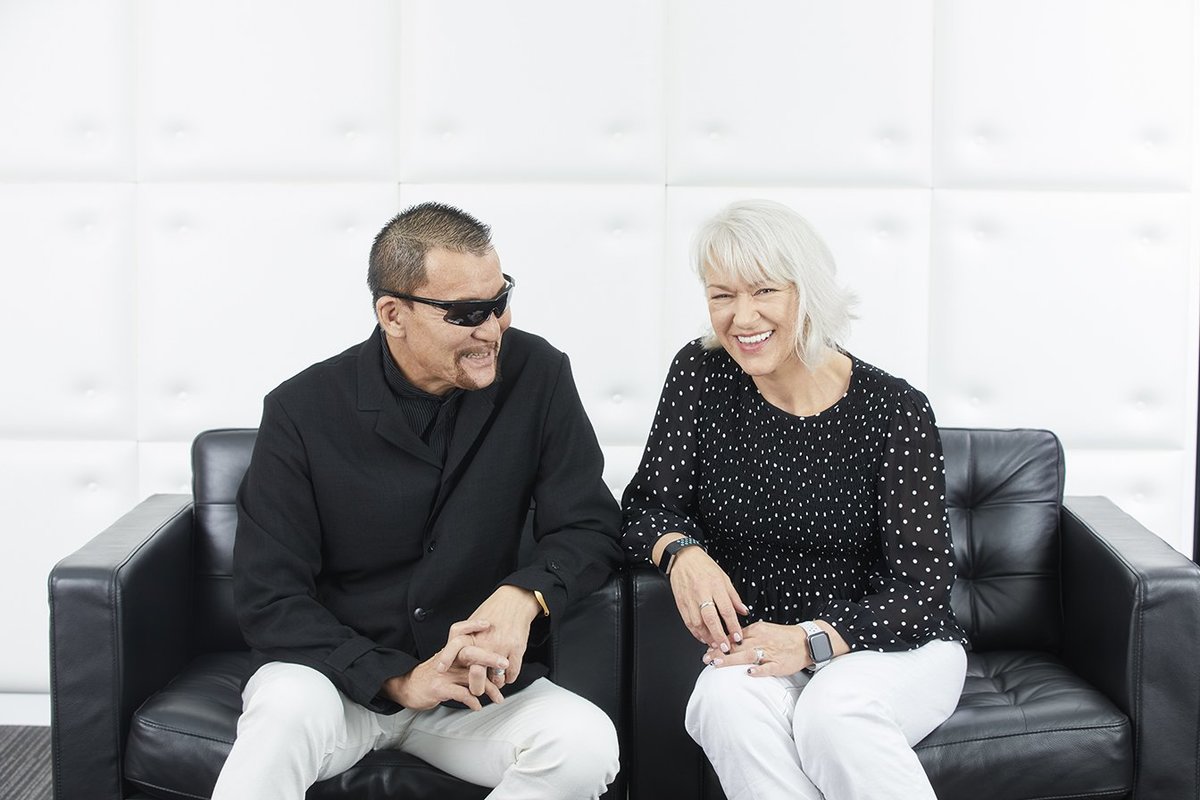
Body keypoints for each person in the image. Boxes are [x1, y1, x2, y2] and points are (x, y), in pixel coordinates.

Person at [212, 202, 623, 800]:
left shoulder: (539, 374)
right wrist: (398, 679)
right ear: (393, 314)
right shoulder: (300, 410)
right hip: (338, 684)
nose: (492, 329)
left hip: (476, 691)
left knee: (584, 746)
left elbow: (589, 524)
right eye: (466, 314)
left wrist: (525, 595)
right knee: (282, 711)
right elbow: (269, 597)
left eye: (500, 301)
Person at [621, 199, 970, 800]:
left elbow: (924, 588)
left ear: (807, 293)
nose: (742, 317)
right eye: (722, 295)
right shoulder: (701, 373)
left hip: (890, 644)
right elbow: (645, 505)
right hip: (763, 643)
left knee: (833, 713)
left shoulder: (895, 409)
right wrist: (682, 553)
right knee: (721, 702)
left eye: (764, 291)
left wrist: (812, 639)